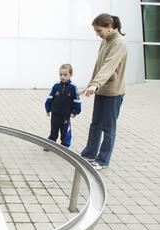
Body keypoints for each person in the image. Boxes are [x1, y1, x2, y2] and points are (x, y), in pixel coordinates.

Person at [80, 14, 127, 170]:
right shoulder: (105, 41)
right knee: (96, 124)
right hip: (101, 89)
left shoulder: (118, 42)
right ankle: (90, 153)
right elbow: (98, 66)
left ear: (109, 26)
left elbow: (109, 65)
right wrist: (91, 85)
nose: (97, 34)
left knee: (108, 127)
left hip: (113, 92)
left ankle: (102, 160)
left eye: (99, 30)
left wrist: (96, 84)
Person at [44, 64, 82, 150]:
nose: (62, 77)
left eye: (65, 75)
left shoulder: (73, 87)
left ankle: (65, 146)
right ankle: (51, 144)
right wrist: (48, 108)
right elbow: (50, 97)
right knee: (54, 130)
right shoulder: (56, 86)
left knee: (65, 131)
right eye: (61, 74)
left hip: (66, 115)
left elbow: (77, 100)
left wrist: (75, 111)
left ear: (70, 75)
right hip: (55, 113)